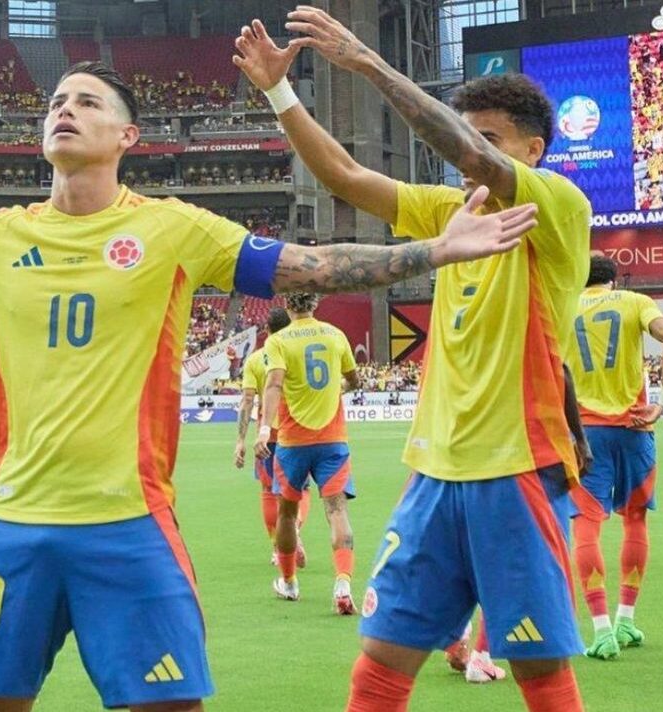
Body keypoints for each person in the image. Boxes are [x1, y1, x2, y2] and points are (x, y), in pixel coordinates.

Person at [0, 60, 536, 712]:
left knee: (170, 701)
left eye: (90, 101)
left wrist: (435, 250)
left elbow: (305, 264)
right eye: (58, 99)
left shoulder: (171, 227)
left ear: (129, 138)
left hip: (128, 525)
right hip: (10, 527)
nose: (66, 107)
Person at [232, 11, 588, 710]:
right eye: (467, 135)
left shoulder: (557, 211)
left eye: (488, 139)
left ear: (535, 151)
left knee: (541, 676)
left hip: (515, 469)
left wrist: (368, 64)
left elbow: (478, 162)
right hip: (433, 476)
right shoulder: (448, 214)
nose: (466, 158)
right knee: (379, 667)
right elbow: (345, 174)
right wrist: (281, 95)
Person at [567, 254, 663, 660]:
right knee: (635, 519)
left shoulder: (565, 308)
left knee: (586, 528)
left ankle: (601, 631)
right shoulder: (634, 302)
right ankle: (626, 618)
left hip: (585, 435)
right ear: (614, 280)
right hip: (635, 428)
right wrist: (662, 403)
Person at [254, 292, 361, 609]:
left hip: (292, 442)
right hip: (333, 440)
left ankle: (288, 583)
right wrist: (338, 389)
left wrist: (263, 429)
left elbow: (273, 383)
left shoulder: (279, 340)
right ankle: (342, 585)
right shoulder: (335, 334)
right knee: (338, 511)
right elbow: (353, 380)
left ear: (288, 306)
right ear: (316, 303)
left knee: (287, 513)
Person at [235, 306, 313, 567]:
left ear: (266, 330)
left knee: (269, 491)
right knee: (300, 490)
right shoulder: (298, 351)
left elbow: (247, 401)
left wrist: (240, 441)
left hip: (266, 436)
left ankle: (278, 547)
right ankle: (295, 530)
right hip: (297, 431)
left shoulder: (256, 360)